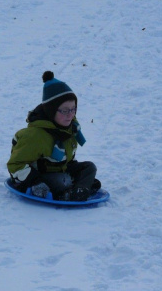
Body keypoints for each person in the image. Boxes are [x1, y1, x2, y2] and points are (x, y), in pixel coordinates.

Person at [7, 71, 100, 201]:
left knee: (89, 167)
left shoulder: (70, 126)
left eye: (73, 109)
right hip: (36, 175)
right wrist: (35, 182)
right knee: (64, 181)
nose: (70, 114)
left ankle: (79, 190)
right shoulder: (36, 136)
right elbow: (15, 165)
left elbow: (67, 159)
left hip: (59, 169)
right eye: (64, 110)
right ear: (51, 110)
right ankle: (69, 193)